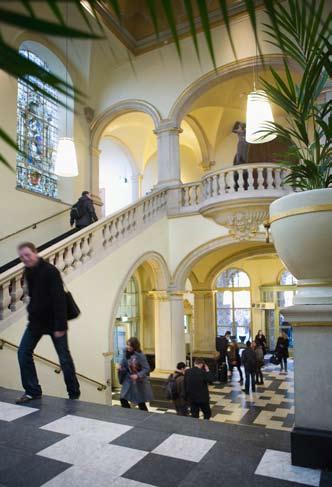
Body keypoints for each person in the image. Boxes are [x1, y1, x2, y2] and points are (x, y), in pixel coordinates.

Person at [16, 242, 80, 404]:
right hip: (36, 322)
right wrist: (32, 311)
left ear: (35, 253)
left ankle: (73, 393)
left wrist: (60, 326)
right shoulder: (28, 271)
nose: (25, 259)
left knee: (64, 358)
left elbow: (59, 300)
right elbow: (33, 296)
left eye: (27, 255)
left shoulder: (51, 271)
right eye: (22, 256)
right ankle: (32, 391)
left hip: (54, 322)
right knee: (23, 352)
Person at [119, 337, 153, 411]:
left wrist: (137, 375)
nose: (128, 347)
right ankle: (128, 414)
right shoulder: (125, 353)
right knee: (122, 398)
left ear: (135, 346)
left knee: (141, 403)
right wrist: (121, 368)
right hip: (128, 380)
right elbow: (123, 364)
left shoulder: (140, 355)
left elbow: (147, 368)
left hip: (139, 382)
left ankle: (145, 418)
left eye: (130, 345)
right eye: (127, 345)